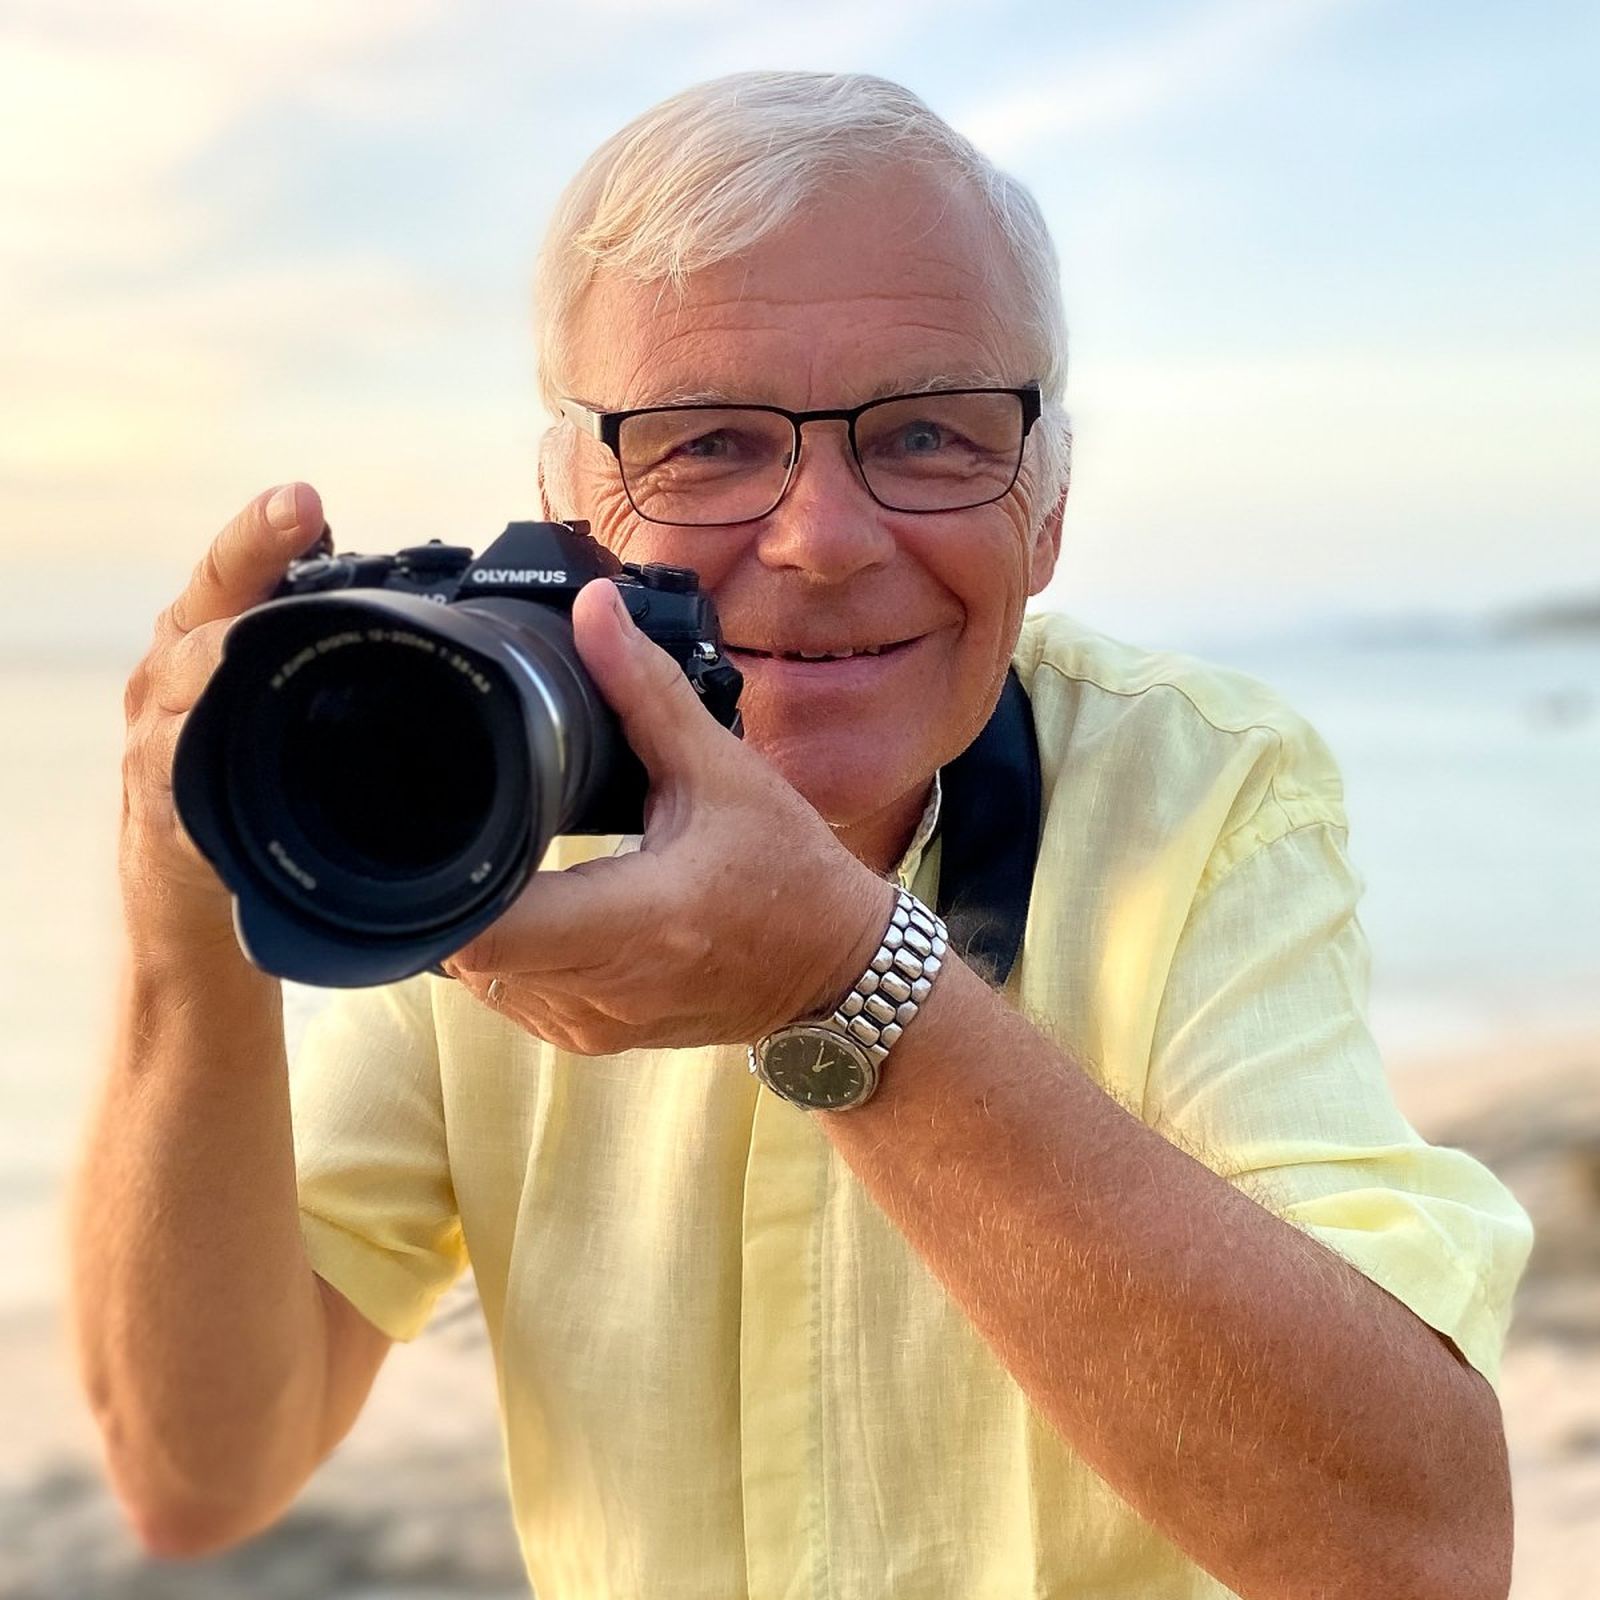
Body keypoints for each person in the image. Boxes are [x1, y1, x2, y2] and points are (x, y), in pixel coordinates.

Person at [76, 71, 1532, 1599]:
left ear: (1046, 505)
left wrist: (847, 980)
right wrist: (188, 924)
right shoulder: (472, 797)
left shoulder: (1196, 790)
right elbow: (198, 1472)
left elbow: (1416, 1552)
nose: (824, 538)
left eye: (925, 435)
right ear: (569, 500)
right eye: (704, 444)